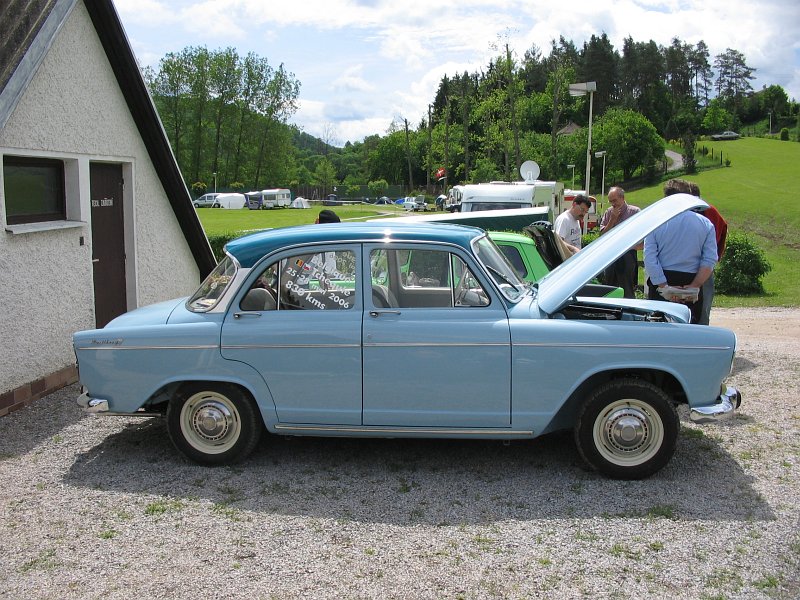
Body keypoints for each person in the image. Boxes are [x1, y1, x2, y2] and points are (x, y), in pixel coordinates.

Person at [643, 179, 718, 324]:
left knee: (658, 333)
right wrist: (694, 286)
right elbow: (709, 260)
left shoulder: (656, 222)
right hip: (691, 280)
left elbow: (650, 258)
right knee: (690, 332)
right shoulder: (706, 224)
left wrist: (664, 286)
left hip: (663, 279)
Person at [688, 182, 728, 326]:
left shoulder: (709, 212)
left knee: (702, 306)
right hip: (703, 263)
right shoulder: (711, 211)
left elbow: (719, 232)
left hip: (701, 264)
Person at [599, 186, 640, 298]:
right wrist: (612, 220)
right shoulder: (608, 213)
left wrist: (634, 246)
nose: (613, 204)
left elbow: (642, 235)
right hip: (611, 255)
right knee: (610, 287)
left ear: (622, 198)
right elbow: (602, 235)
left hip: (628, 254)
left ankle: (629, 311)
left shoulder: (635, 212)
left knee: (627, 287)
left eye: (615, 200)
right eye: (610, 201)